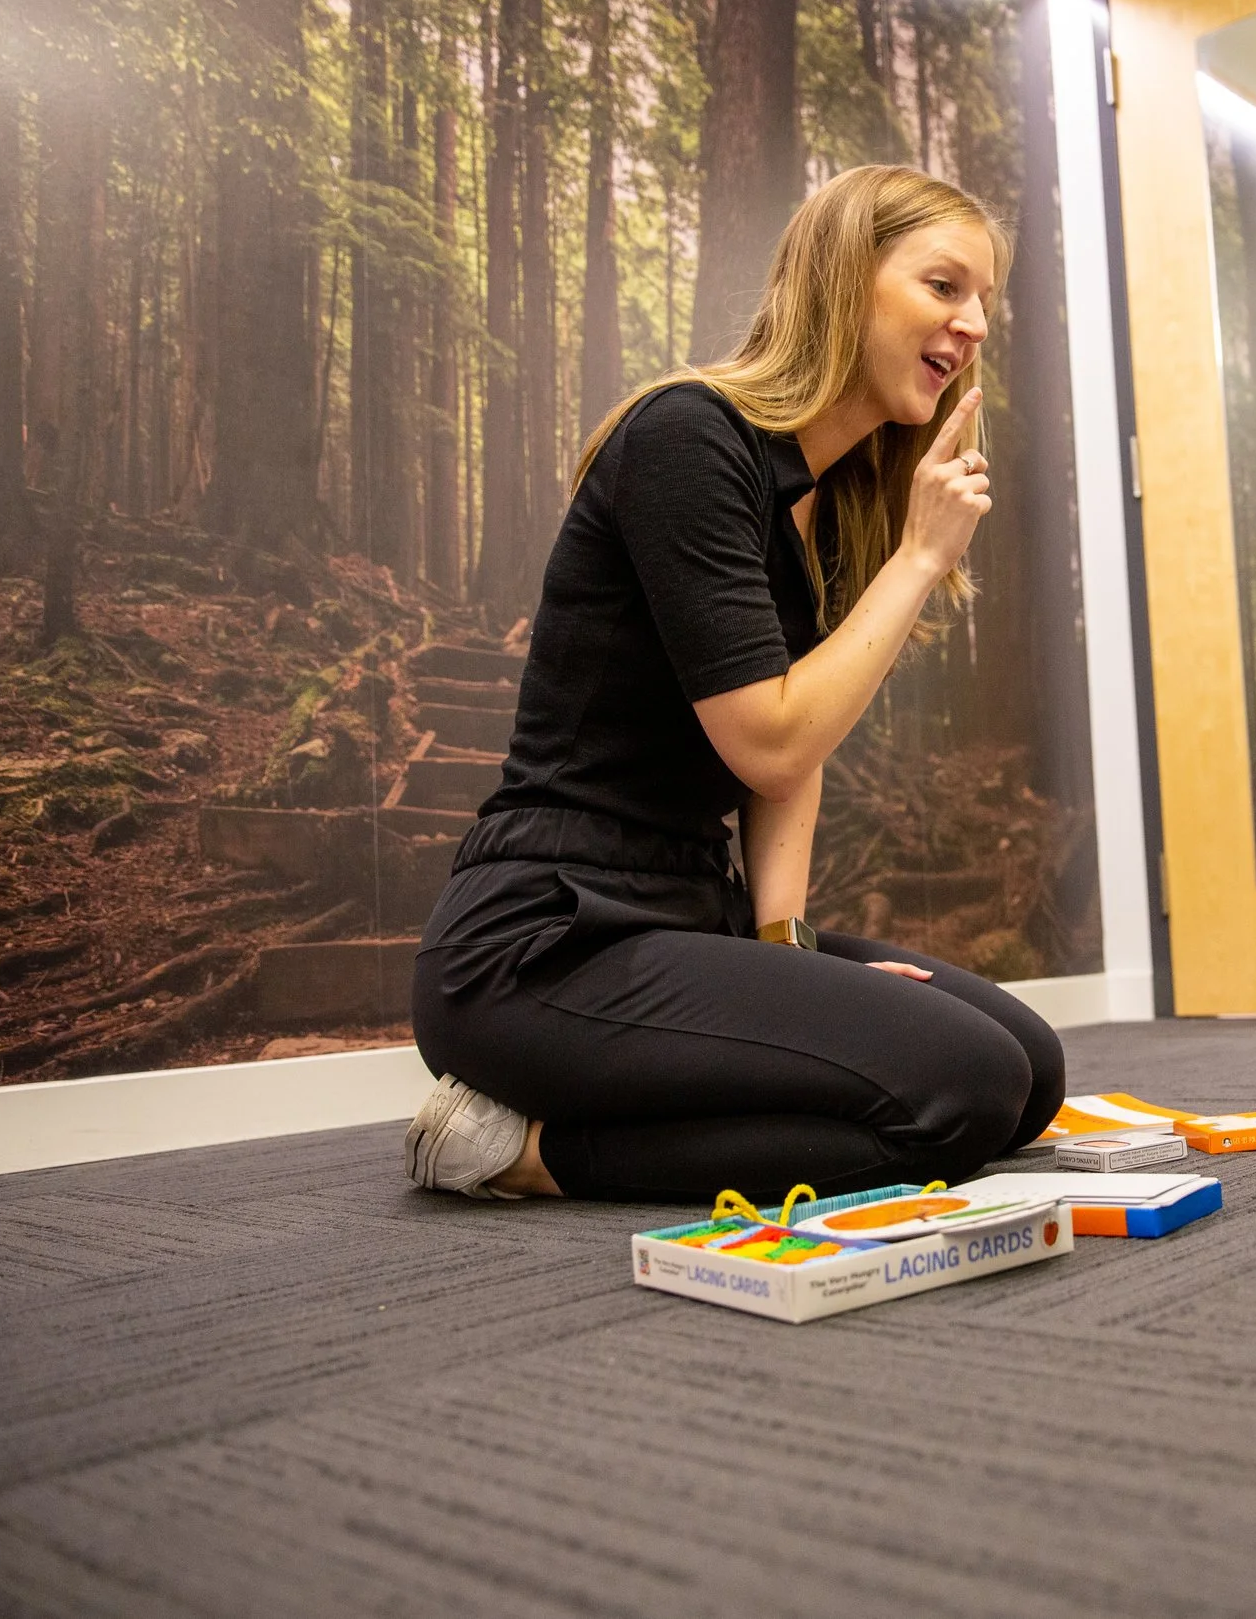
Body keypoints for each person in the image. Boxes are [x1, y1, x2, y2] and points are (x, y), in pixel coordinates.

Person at [403, 166, 1063, 1205]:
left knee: (1030, 1068)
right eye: (944, 286)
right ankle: (517, 1150)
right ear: (843, 278)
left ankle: (601, 1115)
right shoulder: (688, 436)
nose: (974, 323)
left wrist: (784, 950)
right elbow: (770, 739)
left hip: (689, 914)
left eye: (984, 300)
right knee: (965, 1086)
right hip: (542, 942)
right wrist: (919, 559)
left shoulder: (830, 498)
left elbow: (793, 763)